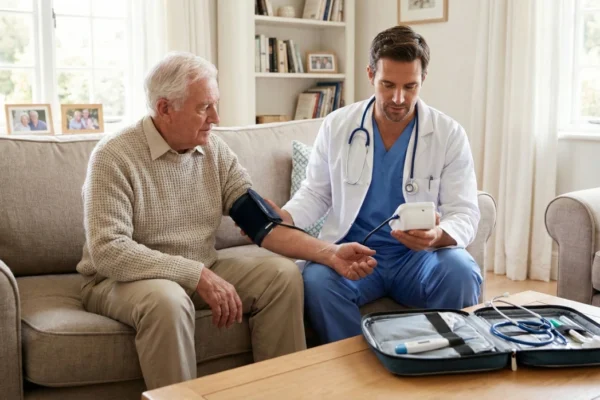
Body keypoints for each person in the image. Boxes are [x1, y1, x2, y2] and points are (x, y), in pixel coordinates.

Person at [76, 51, 377, 390]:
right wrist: (194, 273)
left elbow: (262, 224)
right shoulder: (113, 157)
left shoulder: (214, 151)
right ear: (164, 108)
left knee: (281, 275)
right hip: (120, 280)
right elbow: (108, 251)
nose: (216, 117)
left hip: (200, 267)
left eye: (215, 104)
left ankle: (284, 394)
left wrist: (330, 254)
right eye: (204, 107)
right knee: (167, 300)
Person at [271, 25, 482, 344]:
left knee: (461, 269)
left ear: (423, 79)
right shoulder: (338, 125)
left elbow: (465, 212)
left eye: (410, 86)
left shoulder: (448, 134)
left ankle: (447, 361)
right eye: (388, 85)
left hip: (418, 258)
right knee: (317, 280)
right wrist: (281, 219)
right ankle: (358, 372)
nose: (399, 98)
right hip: (355, 251)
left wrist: (436, 236)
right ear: (371, 74)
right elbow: (315, 193)